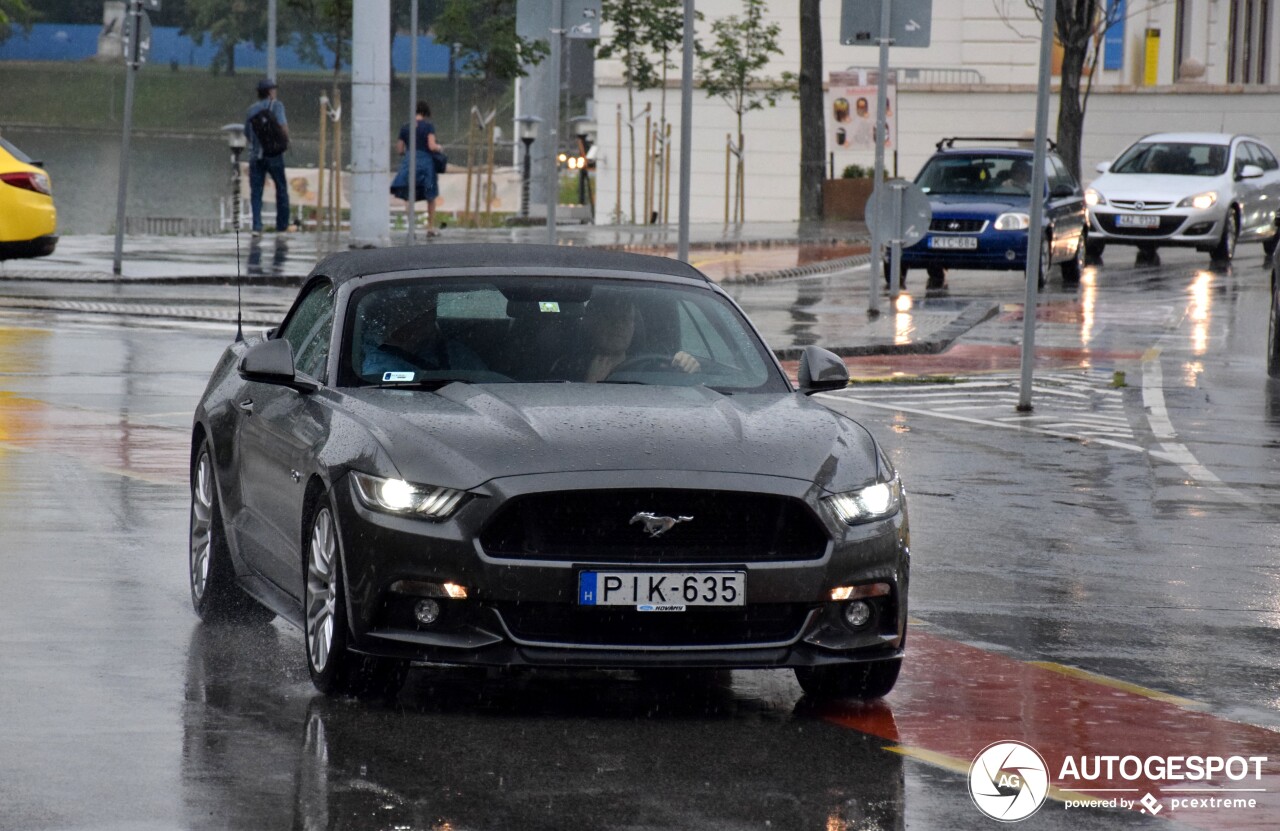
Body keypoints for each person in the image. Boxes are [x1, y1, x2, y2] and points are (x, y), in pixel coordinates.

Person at [555, 292, 700, 382]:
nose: (618, 325)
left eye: (625, 319)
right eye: (609, 318)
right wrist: (591, 384)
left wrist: (687, 369)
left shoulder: (655, 367)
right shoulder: (567, 370)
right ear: (591, 322)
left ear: (634, 325)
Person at [360, 299, 484, 378]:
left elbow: (484, 388)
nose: (422, 318)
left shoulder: (457, 354)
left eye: (428, 310)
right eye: (415, 312)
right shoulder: (374, 366)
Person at [243, 78, 290, 237]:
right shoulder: (277, 106)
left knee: (256, 192)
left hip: (255, 157)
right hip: (274, 155)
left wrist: (258, 145)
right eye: (273, 89)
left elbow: (247, 134)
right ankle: (281, 226)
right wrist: (281, 143)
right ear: (270, 92)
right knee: (281, 189)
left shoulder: (251, 110)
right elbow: (283, 127)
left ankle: (257, 226)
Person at [391, 100, 443, 236]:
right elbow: (431, 146)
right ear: (425, 113)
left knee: (409, 196)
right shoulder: (428, 126)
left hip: (410, 162)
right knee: (430, 196)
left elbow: (400, 149)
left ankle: (411, 229)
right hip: (425, 163)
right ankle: (430, 228)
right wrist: (439, 147)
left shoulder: (405, 127)